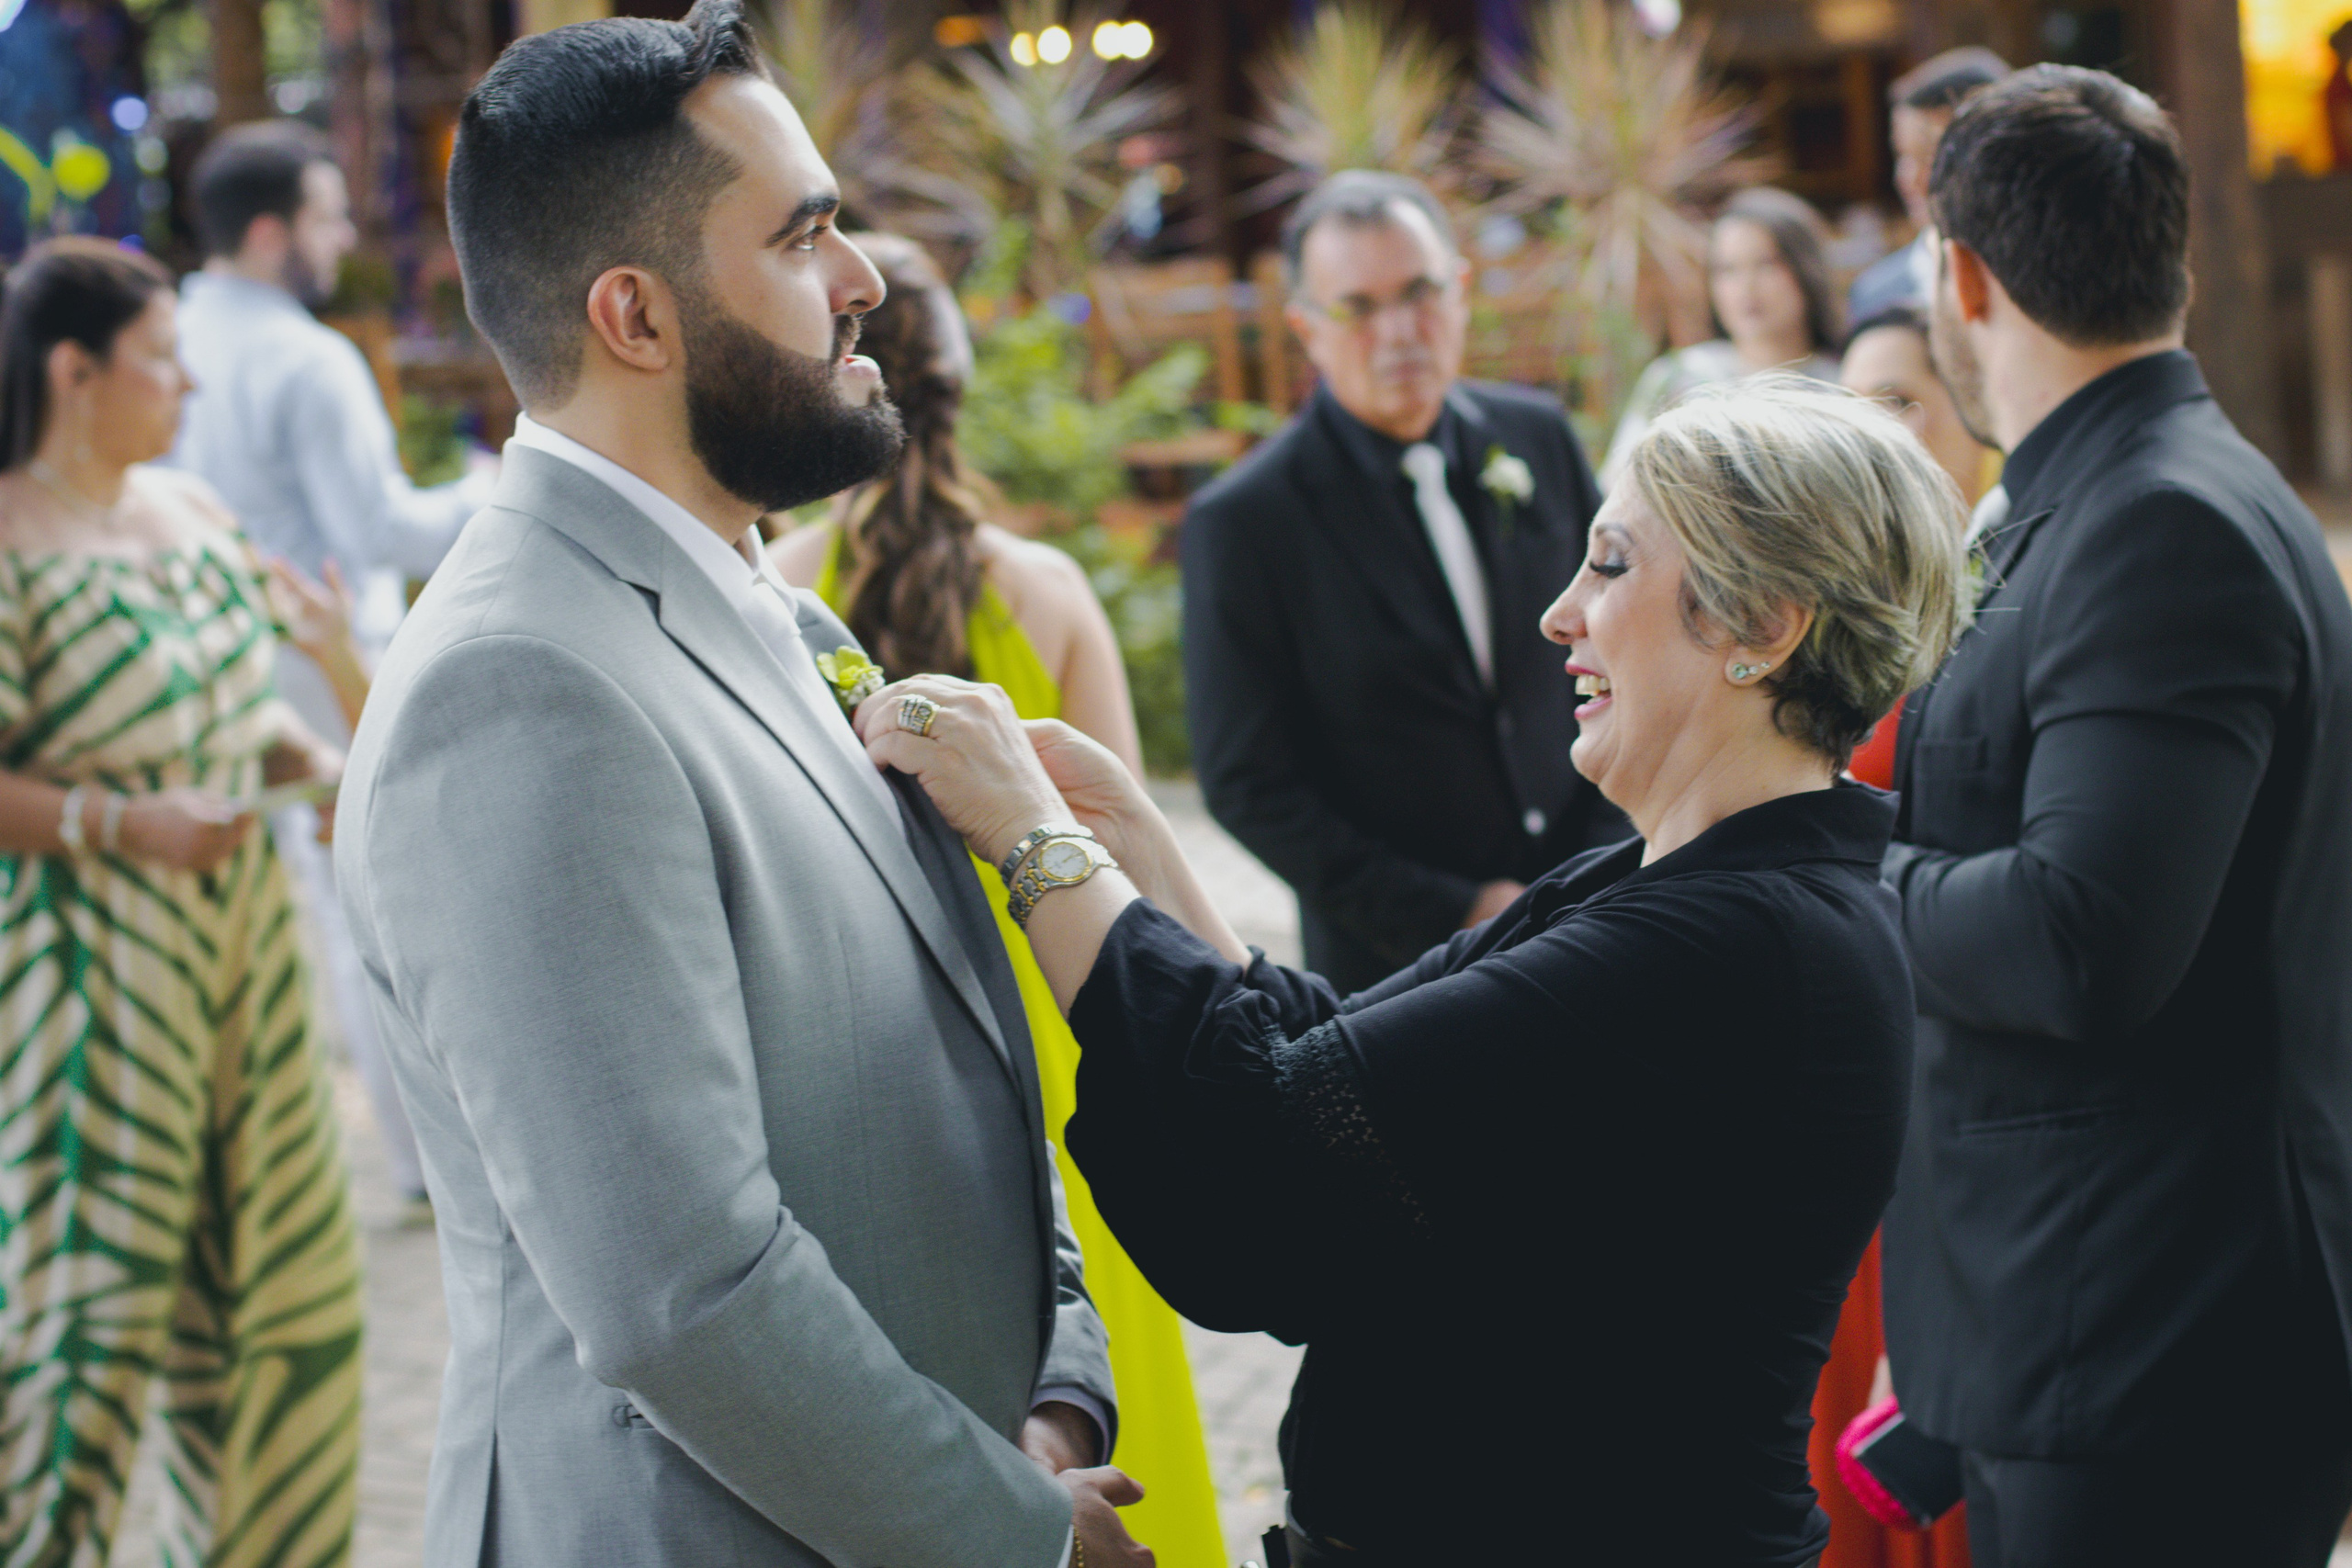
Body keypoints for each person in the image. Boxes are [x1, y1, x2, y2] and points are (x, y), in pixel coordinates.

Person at [861, 377, 1971, 1562]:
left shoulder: (1742, 941)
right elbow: (1340, 1062)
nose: (1560, 613)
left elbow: (1267, 1154)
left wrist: (1038, 845)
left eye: (1609, 563)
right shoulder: (1672, 881)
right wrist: (1131, 840)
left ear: (1762, 625)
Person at [334, 6, 1145, 1563]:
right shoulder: (517, 690)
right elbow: (679, 1294)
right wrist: (1014, 1534)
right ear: (635, 317)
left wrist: (1055, 1395)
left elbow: (962, 1068)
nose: (866, 284)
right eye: (805, 237)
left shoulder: (786, 612)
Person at [1882, 65, 2352, 1568]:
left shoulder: (2164, 522)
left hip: (2156, 1336)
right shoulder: (2103, 489)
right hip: (2084, 1311)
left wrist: (1822, 850)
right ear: (2177, 259)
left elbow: (2083, 939)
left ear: (1958, 274)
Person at [773, 232, 1222, 1566]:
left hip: (882, 1046)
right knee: (1100, 1393)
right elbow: (1122, 860)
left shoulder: (780, 592)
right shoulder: (1049, 592)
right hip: (1070, 1051)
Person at [0, 239, 360, 1565]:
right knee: (85, 1319)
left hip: (247, 960)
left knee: (286, 1297)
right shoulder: (9, 537)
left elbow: (233, 707)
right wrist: (117, 821)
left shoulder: (193, 512)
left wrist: (310, 761)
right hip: (88, 981)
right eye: (161, 358)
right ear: (72, 371)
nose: (189, 383)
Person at [1182, 169, 1623, 994]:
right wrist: (1460, 909)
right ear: (1307, 327)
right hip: (1401, 972)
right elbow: (1247, 782)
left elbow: (1630, 647)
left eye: (1420, 292)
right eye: (1358, 306)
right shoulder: (1246, 521)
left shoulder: (1540, 438)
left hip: (1598, 913)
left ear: (1460, 291)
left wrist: (1597, 867)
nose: (1399, 332)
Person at [170, 118, 492, 1217]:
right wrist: (497, 486)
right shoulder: (306, 357)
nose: (344, 231)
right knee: (380, 911)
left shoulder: (168, 335)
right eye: (326, 214)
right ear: (272, 233)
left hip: (214, 657)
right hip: (324, 657)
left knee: (306, 908)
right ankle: (424, 1165)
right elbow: (377, 529)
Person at [1836, 304, 1995, 793]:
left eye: (1895, 400)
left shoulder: (2023, 557)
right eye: (1848, 408)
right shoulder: (1840, 576)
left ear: (1971, 402)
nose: (1867, 430)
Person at [1601, 186, 1844, 489]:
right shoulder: (1679, 378)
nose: (1747, 287)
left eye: (1765, 264)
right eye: (1727, 270)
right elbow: (1620, 485)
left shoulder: (1844, 385)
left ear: (1806, 268)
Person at [1847, 50, 2011, 328]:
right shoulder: (1875, 297)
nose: (1910, 178)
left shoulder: (2033, 280)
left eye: (1930, 158)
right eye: (1902, 156)